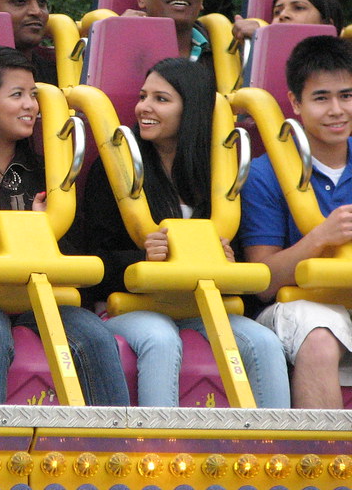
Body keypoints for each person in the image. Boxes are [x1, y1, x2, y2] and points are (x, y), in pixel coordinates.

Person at [0, 46, 129, 405]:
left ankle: (113, 440)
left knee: (94, 335)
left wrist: (42, 231)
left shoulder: (46, 171)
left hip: (38, 296)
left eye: (33, 95)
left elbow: (73, 258)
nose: (31, 105)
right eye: (16, 95)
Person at [79, 57, 289, 407]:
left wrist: (228, 260)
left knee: (263, 342)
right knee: (160, 339)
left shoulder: (218, 172)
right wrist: (143, 258)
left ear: (191, 110)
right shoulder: (115, 168)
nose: (144, 107)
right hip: (131, 305)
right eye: (143, 97)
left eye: (161, 99)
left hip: (201, 304)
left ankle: (273, 441)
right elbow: (94, 261)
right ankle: (161, 442)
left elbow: (240, 259)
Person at [238, 35, 352, 408]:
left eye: (346, 96)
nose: (337, 110)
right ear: (296, 103)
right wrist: (320, 237)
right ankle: (321, 448)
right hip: (298, 305)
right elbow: (264, 283)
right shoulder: (265, 173)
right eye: (321, 98)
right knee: (319, 334)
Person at [232, 0, 344, 43]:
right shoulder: (258, 59)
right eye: (277, 12)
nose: (283, 15)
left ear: (326, 24)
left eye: (298, 8)